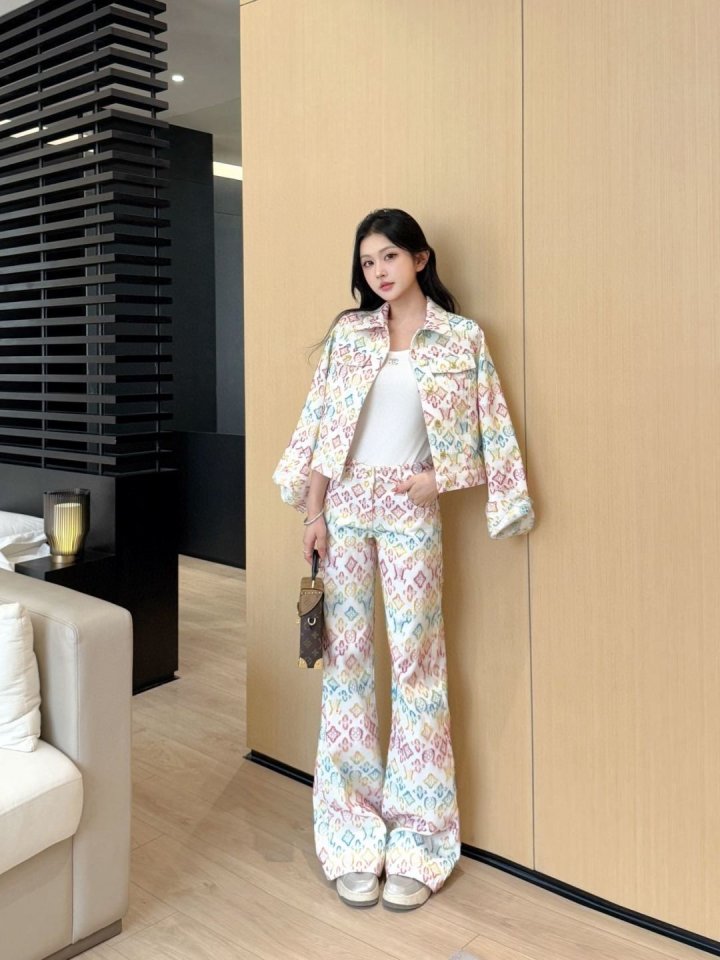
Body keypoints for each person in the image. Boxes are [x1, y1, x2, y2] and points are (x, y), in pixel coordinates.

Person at [273, 208, 534, 911]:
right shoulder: (350, 336)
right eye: (368, 262)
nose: (379, 271)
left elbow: (489, 427)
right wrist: (313, 513)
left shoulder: (462, 337)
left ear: (420, 258)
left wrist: (439, 479)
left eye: (389, 256)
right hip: (345, 506)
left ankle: (421, 839)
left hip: (410, 510)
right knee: (347, 668)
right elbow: (323, 424)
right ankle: (351, 836)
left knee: (418, 666)